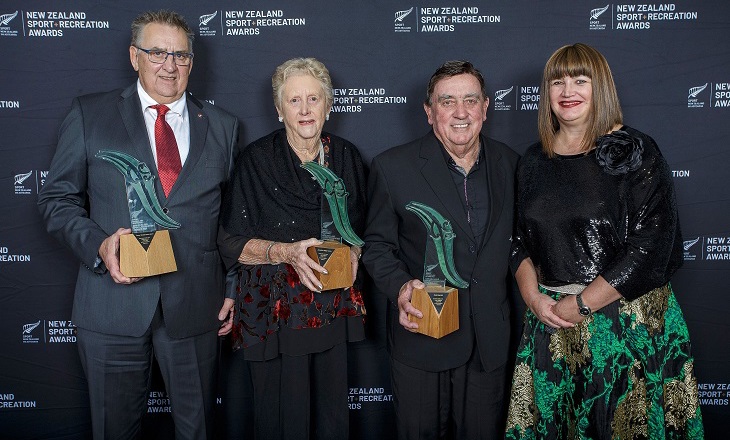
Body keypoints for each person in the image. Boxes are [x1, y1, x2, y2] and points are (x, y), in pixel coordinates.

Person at [37, 10, 239, 440]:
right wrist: (99, 246)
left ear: (192, 61)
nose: (170, 64)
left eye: (181, 55)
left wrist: (234, 286)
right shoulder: (90, 115)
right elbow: (57, 199)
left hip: (195, 308)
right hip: (112, 307)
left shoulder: (223, 127)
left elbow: (231, 220)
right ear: (134, 56)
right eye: (157, 52)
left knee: (198, 431)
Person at [505, 43, 704, 439]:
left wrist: (582, 304)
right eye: (557, 82)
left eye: (581, 80)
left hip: (626, 324)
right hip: (551, 323)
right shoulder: (531, 160)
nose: (567, 91)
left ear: (602, 89)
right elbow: (517, 242)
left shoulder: (636, 151)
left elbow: (652, 244)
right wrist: (534, 299)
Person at [362, 60, 519, 439]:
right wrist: (401, 287)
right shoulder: (392, 167)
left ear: (486, 107)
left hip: (488, 344)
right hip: (423, 336)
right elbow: (377, 247)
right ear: (429, 112)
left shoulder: (512, 164)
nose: (460, 112)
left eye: (470, 100)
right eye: (447, 101)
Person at [217, 57, 367, 440]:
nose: (305, 110)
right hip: (274, 311)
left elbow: (362, 228)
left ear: (329, 106)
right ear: (278, 109)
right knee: (282, 419)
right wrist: (287, 253)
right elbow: (231, 241)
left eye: (314, 99)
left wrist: (355, 252)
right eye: (294, 100)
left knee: (331, 419)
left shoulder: (347, 157)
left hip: (331, 305)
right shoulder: (256, 160)